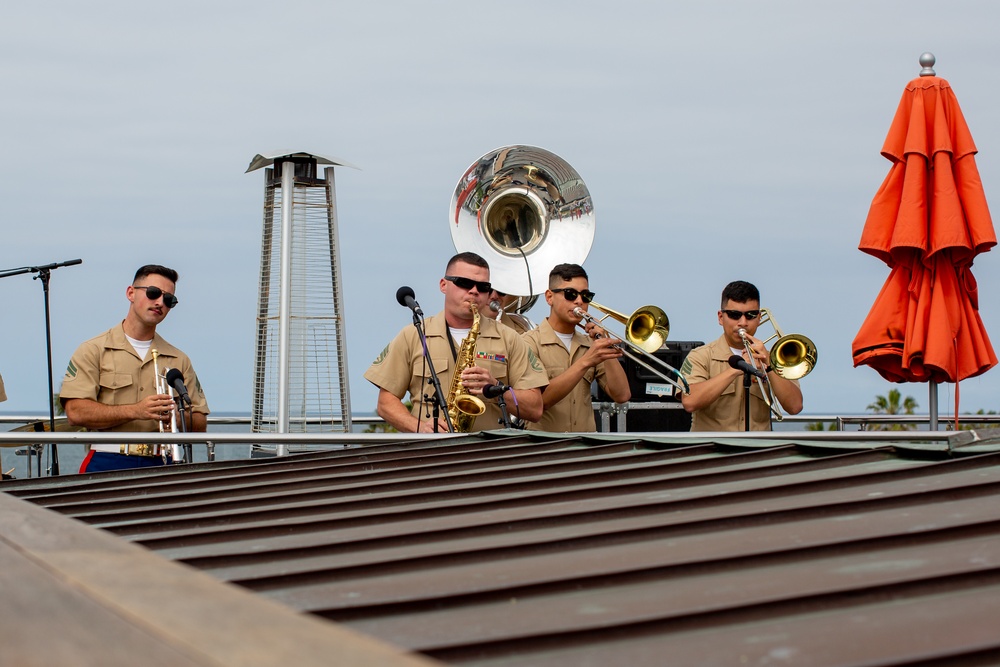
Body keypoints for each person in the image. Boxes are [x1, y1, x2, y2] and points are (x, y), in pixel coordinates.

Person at [365, 252, 547, 433]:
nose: (474, 291)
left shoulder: (510, 338)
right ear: (443, 285)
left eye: (483, 287)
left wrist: (495, 388)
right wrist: (420, 428)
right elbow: (385, 403)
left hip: (489, 455)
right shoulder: (413, 335)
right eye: (464, 283)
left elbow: (535, 409)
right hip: (431, 453)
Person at [60, 264, 209, 472]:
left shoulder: (179, 359)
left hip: (162, 462)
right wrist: (137, 410)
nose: (159, 302)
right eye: (153, 293)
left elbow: (200, 422)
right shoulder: (93, 349)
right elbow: (75, 412)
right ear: (130, 293)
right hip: (108, 459)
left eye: (169, 300)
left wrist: (176, 416)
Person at [680, 280, 803, 431]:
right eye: (734, 315)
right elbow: (690, 401)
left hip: (757, 451)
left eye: (750, 315)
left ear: (759, 318)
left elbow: (795, 406)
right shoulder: (700, 356)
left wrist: (770, 366)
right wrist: (739, 368)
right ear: (720, 317)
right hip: (712, 451)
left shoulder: (774, 358)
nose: (743, 322)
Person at [521, 264, 630, 432]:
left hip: (584, 449)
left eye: (586, 296)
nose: (579, 301)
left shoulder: (590, 344)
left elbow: (622, 395)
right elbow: (540, 403)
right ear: (549, 297)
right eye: (570, 294)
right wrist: (586, 362)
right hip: (543, 448)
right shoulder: (528, 342)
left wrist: (604, 341)